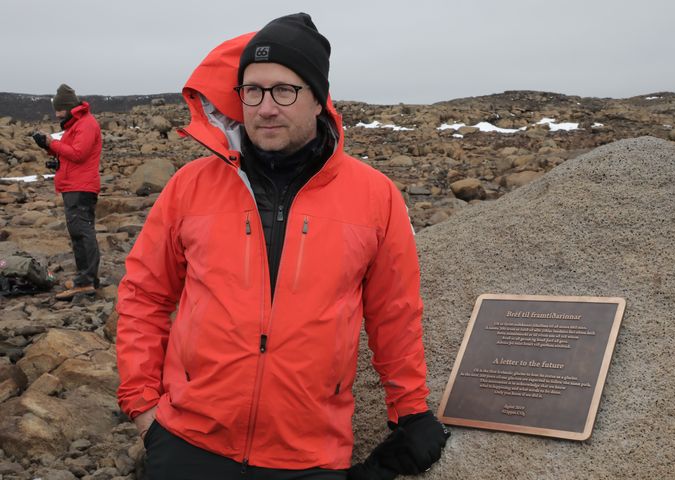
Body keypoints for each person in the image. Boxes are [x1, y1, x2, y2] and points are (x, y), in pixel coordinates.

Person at [116, 12, 449, 480]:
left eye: (284, 90)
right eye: (252, 90)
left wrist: (410, 410)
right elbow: (144, 295)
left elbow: (394, 313)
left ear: (318, 100)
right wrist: (144, 409)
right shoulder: (189, 187)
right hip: (188, 443)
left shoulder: (375, 197)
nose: (265, 106)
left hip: (308, 454)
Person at [31, 84, 102, 300]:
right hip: (73, 185)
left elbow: (78, 154)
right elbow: (69, 153)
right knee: (78, 232)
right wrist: (48, 146)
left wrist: (54, 142)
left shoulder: (86, 124)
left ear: (69, 107)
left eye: (59, 109)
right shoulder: (77, 125)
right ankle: (85, 277)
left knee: (83, 231)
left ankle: (87, 279)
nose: (57, 114)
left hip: (81, 186)